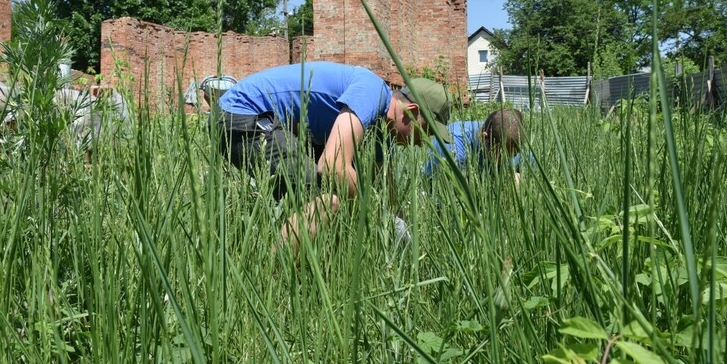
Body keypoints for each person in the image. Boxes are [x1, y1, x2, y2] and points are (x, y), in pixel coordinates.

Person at [213, 61, 451, 252]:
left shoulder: (379, 129)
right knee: (329, 199)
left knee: (338, 196)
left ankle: (312, 269)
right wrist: (370, 210)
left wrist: (400, 228)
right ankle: (271, 277)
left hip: (269, 122)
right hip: (241, 114)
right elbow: (332, 165)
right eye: (424, 133)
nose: (420, 144)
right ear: (410, 113)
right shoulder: (372, 91)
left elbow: (382, 186)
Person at [424, 108, 526, 185]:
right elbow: (446, 186)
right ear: (483, 137)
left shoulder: (515, 143)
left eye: (513, 154)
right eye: (500, 155)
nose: (506, 159)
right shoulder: (451, 145)